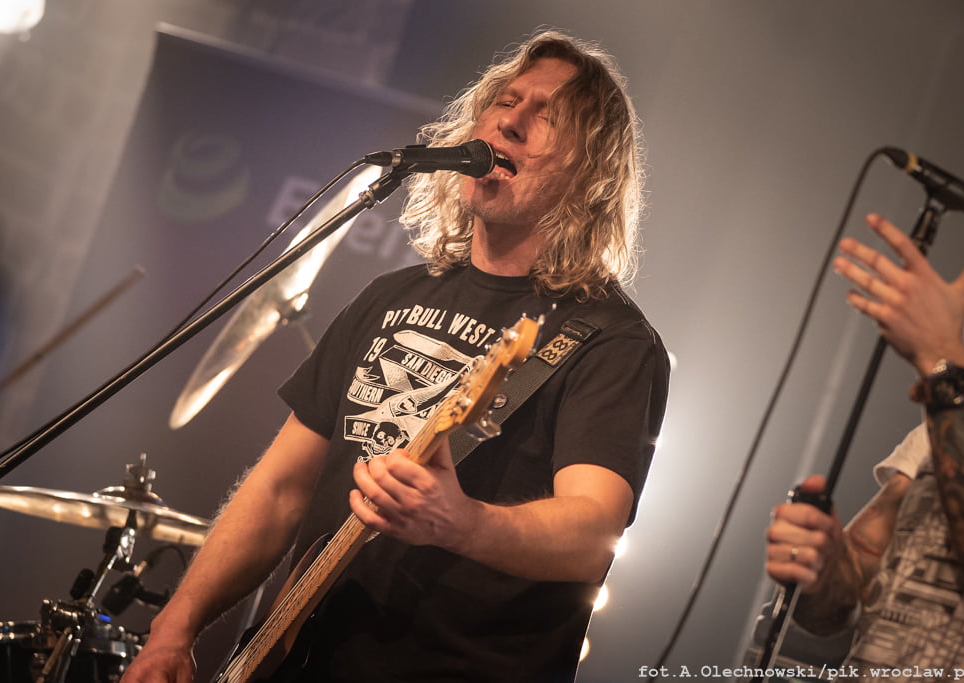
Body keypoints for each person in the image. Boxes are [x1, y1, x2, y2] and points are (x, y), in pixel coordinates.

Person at [122, 29, 669, 683]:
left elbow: (592, 533)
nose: (510, 120)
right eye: (505, 101)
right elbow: (279, 489)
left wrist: (462, 523)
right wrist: (174, 629)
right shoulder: (391, 296)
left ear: (590, 175)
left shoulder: (608, 339)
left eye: (546, 116)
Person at [765, 213, 964, 680]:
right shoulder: (945, 428)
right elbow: (848, 591)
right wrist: (820, 570)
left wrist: (943, 370)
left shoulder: (953, 404)